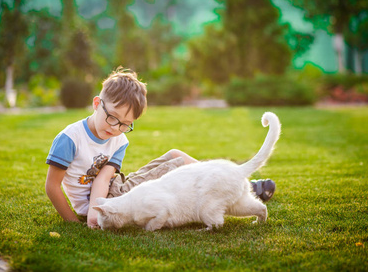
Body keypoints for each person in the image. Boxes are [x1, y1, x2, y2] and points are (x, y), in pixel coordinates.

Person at [45, 66, 275, 229]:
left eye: (126, 124)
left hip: (114, 188)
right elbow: (52, 186)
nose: (115, 129)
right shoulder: (70, 138)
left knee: (175, 155)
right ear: (97, 104)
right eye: (112, 118)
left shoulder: (119, 140)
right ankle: (246, 188)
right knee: (176, 163)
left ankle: (227, 184)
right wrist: (82, 219)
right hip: (112, 200)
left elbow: (105, 177)